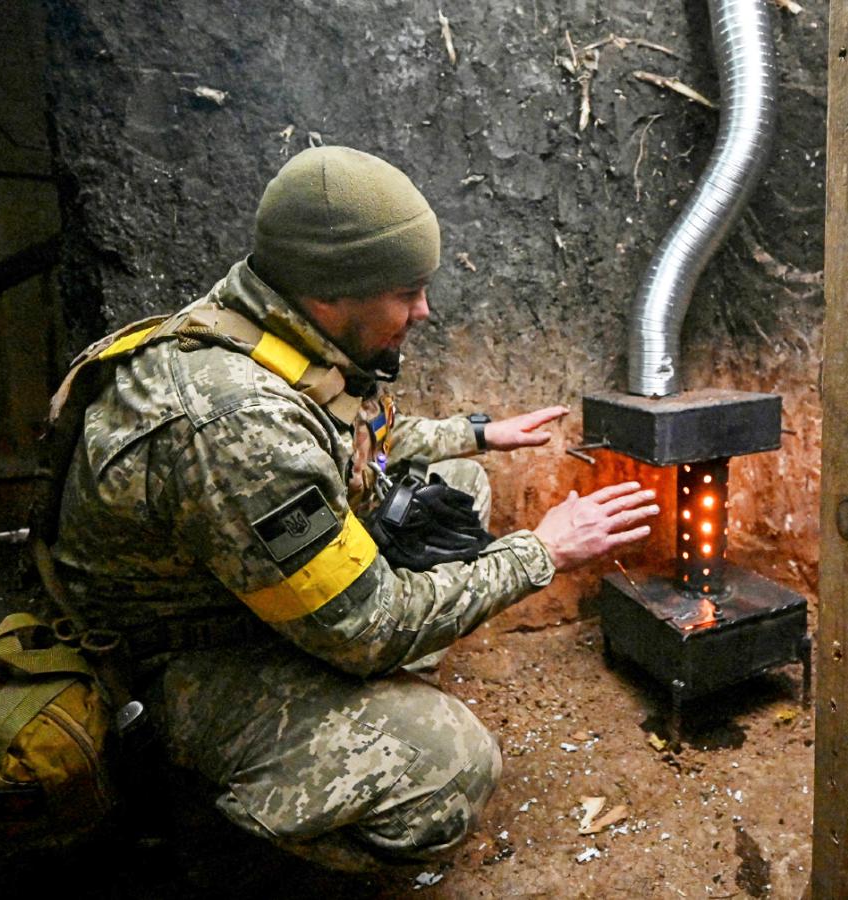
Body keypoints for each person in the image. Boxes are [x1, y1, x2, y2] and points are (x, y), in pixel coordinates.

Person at [50, 145, 658, 870]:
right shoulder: (241, 425)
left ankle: (368, 700)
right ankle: (212, 824)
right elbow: (369, 627)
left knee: (458, 482)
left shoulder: (267, 322)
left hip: (244, 592)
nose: (424, 311)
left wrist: (478, 433)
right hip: (179, 657)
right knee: (449, 767)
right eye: (407, 293)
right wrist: (543, 552)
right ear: (331, 295)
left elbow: (349, 433)